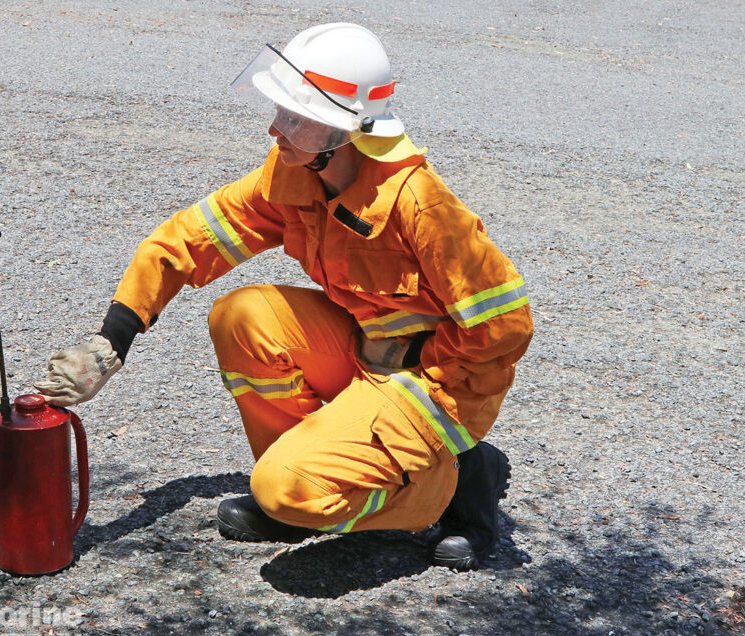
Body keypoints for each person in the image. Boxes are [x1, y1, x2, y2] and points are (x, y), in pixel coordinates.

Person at [35, 23, 533, 570]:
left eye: (295, 117)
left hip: (434, 386)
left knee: (285, 491)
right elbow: (189, 239)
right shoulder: (293, 177)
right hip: (366, 359)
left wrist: (437, 404)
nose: (276, 128)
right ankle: (311, 481)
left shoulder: (420, 206)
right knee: (242, 317)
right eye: (280, 112)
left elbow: (503, 326)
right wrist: (112, 340)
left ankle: (458, 481)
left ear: (344, 130)